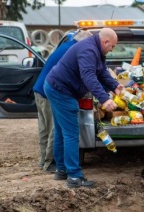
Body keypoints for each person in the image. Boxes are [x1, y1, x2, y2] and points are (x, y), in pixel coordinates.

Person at [44, 28, 123, 188]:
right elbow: (88, 76)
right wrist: (104, 99)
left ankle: (61, 170)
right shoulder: (88, 49)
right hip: (61, 90)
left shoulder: (97, 51)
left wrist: (115, 86)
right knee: (71, 133)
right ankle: (74, 177)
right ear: (105, 41)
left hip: (55, 86)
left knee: (61, 130)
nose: (112, 49)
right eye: (112, 46)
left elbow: (101, 73)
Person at [33, 30, 92, 173]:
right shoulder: (74, 50)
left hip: (39, 89)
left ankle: (43, 162)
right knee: (55, 130)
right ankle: (50, 164)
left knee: (44, 130)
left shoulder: (65, 46)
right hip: (50, 92)